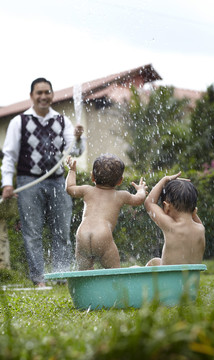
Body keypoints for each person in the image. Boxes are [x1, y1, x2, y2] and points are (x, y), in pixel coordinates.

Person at [1, 77, 84, 286]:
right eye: (39, 93)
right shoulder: (19, 122)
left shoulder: (63, 121)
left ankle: (62, 277)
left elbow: (76, 152)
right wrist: (7, 184)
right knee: (32, 233)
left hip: (57, 181)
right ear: (32, 96)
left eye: (47, 92)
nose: (43, 96)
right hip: (28, 180)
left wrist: (78, 138)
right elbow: (9, 155)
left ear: (52, 95)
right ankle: (39, 281)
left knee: (62, 232)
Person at [65, 153, 147, 270]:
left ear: (92, 177)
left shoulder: (87, 190)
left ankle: (87, 285)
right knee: (114, 272)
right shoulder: (120, 195)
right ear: (120, 181)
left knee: (84, 273)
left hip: (83, 233)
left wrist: (72, 170)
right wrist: (141, 190)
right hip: (102, 234)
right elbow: (139, 200)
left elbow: (70, 188)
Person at [144, 172, 205, 266]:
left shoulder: (171, 226)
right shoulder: (200, 229)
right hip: (191, 280)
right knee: (155, 262)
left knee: (135, 267)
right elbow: (192, 214)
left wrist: (165, 179)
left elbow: (149, 203)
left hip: (168, 280)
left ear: (166, 207)